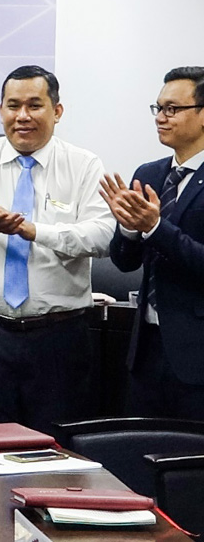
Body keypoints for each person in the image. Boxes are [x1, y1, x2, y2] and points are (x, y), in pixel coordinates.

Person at [0, 65, 113, 434]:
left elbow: (104, 236)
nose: (22, 116)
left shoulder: (83, 164)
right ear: (1, 111)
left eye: (35, 105)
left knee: (55, 446)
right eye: (13, 106)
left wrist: (36, 231)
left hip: (60, 336)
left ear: (57, 111)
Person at [101, 66, 204, 421]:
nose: (161, 118)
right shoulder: (149, 174)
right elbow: (125, 261)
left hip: (197, 355)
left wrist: (156, 227)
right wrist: (130, 229)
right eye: (157, 108)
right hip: (145, 350)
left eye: (172, 109)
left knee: (188, 468)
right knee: (140, 460)